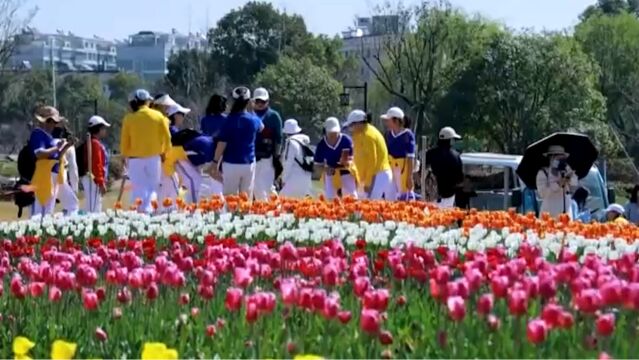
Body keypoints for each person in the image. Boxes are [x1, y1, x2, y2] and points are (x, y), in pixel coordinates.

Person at [120, 89, 171, 213]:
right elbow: (167, 137)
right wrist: (165, 152)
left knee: (138, 188)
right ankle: (150, 211)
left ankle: (139, 213)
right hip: (154, 158)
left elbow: (124, 140)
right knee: (153, 188)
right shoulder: (158, 116)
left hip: (135, 160)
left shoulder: (129, 119)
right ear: (147, 101)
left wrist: (124, 157)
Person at [211, 87, 264, 197]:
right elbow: (261, 127)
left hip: (230, 163)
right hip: (248, 163)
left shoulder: (228, 120)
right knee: (246, 197)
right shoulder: (253, 120)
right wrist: (251, 109)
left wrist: (215, 162)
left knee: (230, 198)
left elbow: (222, 143)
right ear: (248, 101)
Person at [29, 106, 74, 217]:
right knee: (42, 209)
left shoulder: (50, 137)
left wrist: (66, 146)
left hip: (54, 174)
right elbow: (39, 153)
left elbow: (57, 157)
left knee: (51, 208)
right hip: (44, 174)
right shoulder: (38, 134)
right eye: (52, 121)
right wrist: (56, 147)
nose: (54, 125)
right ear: (45, 122)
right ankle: (35, 232)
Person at [344, 110, 392, 199]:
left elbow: (372, 162)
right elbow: (359, 157)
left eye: (352, 125)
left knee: (371, 204)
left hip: (378, 174)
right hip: (369, 175)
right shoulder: (358, 134)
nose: (350, 128)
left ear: (359, 123)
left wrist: (368, 182)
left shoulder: (369, 136)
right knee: (362, 203)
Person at [313, 117, 359, 199]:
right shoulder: (322, 145)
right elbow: (317, 166)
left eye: (335, 133)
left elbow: (353, 158)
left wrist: (347, 162)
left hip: (346, 172)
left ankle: (353, 211)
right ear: (326, 131)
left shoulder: (346, 140)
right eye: (331, 133)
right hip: (331, 174)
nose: (333, 135)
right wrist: (326, 168)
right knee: (331, 198)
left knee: (351, 197)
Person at [252, 87, 283, 200]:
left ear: (268, 102)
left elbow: (279, 138)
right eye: (257, 101)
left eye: (263, 102)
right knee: (255, 186)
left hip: (268, 156)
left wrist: (277, 155)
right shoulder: (249, 115)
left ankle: (272, 207)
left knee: (266, 185)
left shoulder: (273, 116)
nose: (260, 104)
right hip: (252, 156)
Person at [536, 145, 578, 219]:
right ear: (551, 158)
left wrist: (569, 174)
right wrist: (558, 183)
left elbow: (574, 186)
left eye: (563, 158)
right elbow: (542, 193)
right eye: (558, 158)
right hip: (549, 214)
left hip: (566, 214)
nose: (560, 160)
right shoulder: (543, 173)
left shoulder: (566, 170)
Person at [425, 127, 464, 208]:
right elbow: (460, 179)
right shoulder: (455, 156)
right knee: (445, 218)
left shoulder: (430, 154)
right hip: (448, 196)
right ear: (450, 140)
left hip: (430, 197)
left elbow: (420, 173)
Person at [382, 107, 416, 200]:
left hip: (403, 169)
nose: (387, 123)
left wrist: (410, 177)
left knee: (404, 195)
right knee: (390, 195)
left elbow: (410, 157)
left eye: (388, 120)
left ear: (396, 121)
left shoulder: (408, 135)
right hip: (390, 167)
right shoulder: (388, 134)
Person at [82, 116, 110, 213]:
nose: (105, 130)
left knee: (93, 204)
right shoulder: (95, 143)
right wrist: (101, 182)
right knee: (94, 208)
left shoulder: (92, 142)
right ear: (99, 129)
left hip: (91, 178)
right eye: (103, 128)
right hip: (93, 179)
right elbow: (96, 164)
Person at [279, 119, 312, 198]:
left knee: (280, 204)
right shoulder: (305, 141)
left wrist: (283, 180)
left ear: (286, 132)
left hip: (294, 178)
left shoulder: (291, 142)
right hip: (307, 179)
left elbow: (287, 163)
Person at [51, 124, 79, 215]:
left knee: (48, 206)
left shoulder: (48, 143)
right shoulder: (68, 146)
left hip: (45, 177)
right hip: (60, 176)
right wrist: (75, 188)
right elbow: (73, 168)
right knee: (73, 205)